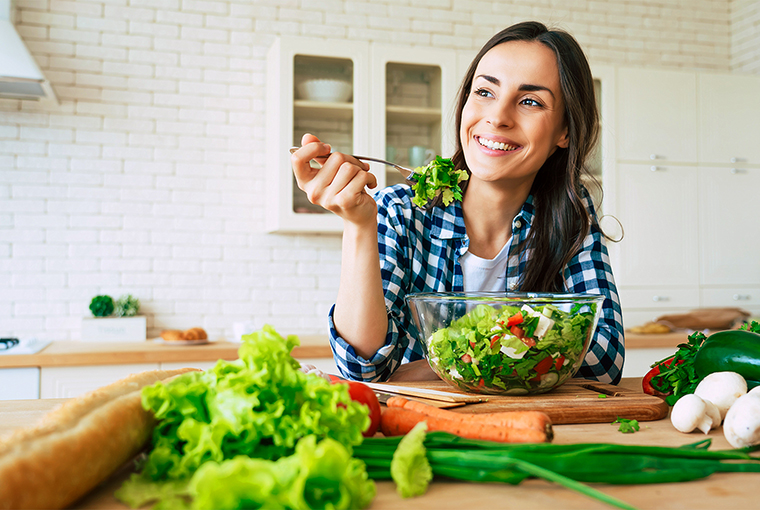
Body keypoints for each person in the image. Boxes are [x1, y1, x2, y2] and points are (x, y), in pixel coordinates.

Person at [291, 21, 625, 385]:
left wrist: (435, 366)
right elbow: (365, 368)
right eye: (484, 92)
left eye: (530, 101)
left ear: (564, 131)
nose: (497, 117)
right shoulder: (400, 211)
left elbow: (603, 359)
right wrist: (358, 225)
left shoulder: (571, 214)